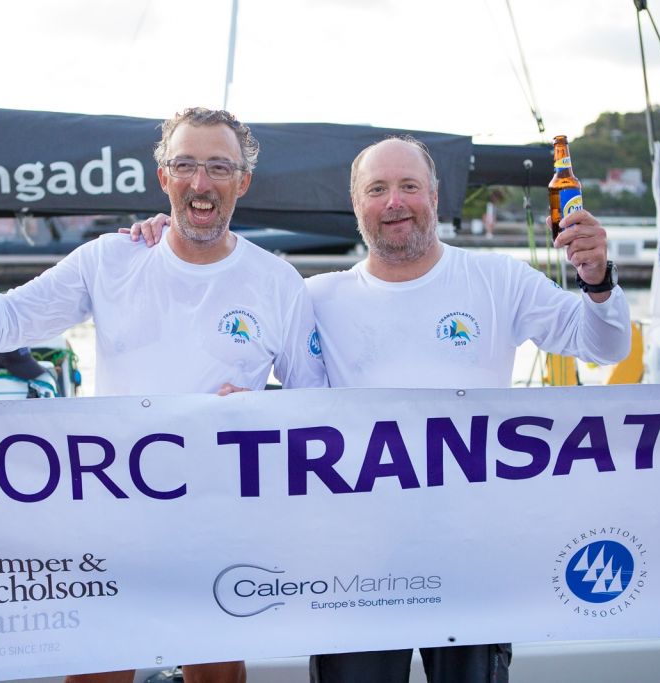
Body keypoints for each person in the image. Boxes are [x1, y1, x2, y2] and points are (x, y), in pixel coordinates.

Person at [128, 135, 630, 682]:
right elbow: (296, 400)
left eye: (409, 186)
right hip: (353, 561)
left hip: (472, 550)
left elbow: (604, 346)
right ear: (357, 204)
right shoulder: (316, 297)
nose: (394, 202)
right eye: (378, 189)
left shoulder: (497, 279)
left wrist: (598, 281)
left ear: (435, 197)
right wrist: (165, 238)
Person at [0, 107, 328, 683]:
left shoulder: (278, 283)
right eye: (184, 165)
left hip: (221, 520)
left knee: (218, 675)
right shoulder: (112, 259)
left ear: (243, 181)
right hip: (112, 519)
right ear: (162, 176)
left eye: (218, 168)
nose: (200, 183)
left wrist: (263, 411)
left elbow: (317, 409)